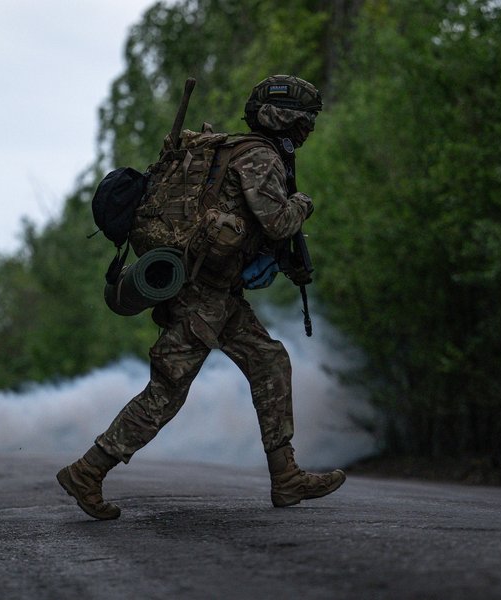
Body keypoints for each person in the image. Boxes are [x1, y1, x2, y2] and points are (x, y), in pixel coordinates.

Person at [57, 75, 346, 520]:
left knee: (268, 360)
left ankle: (285, 476)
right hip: (202, 292)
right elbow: (278, 223)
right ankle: (88, 470)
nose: (308, 129)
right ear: (288, 120)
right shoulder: (261, 157)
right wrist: (303, 203)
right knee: (168, 390)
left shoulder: (234, 148)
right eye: (306, 120)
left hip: (214, 288)